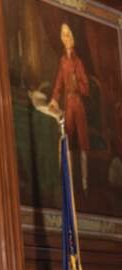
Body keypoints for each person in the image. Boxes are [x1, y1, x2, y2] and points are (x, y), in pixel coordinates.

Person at [49, 23, 90, 193]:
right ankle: (69, 181)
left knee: (82, 143)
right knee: (67, 141)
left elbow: (86, 88)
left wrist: (76, 84)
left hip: (78, 104)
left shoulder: (77, 62)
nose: (65, 38)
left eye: (68, 35)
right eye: (63, 35)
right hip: (67, 104)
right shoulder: (63, 61)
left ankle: (85, 182)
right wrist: (54, 99)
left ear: (72, 38)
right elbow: (59, 81)